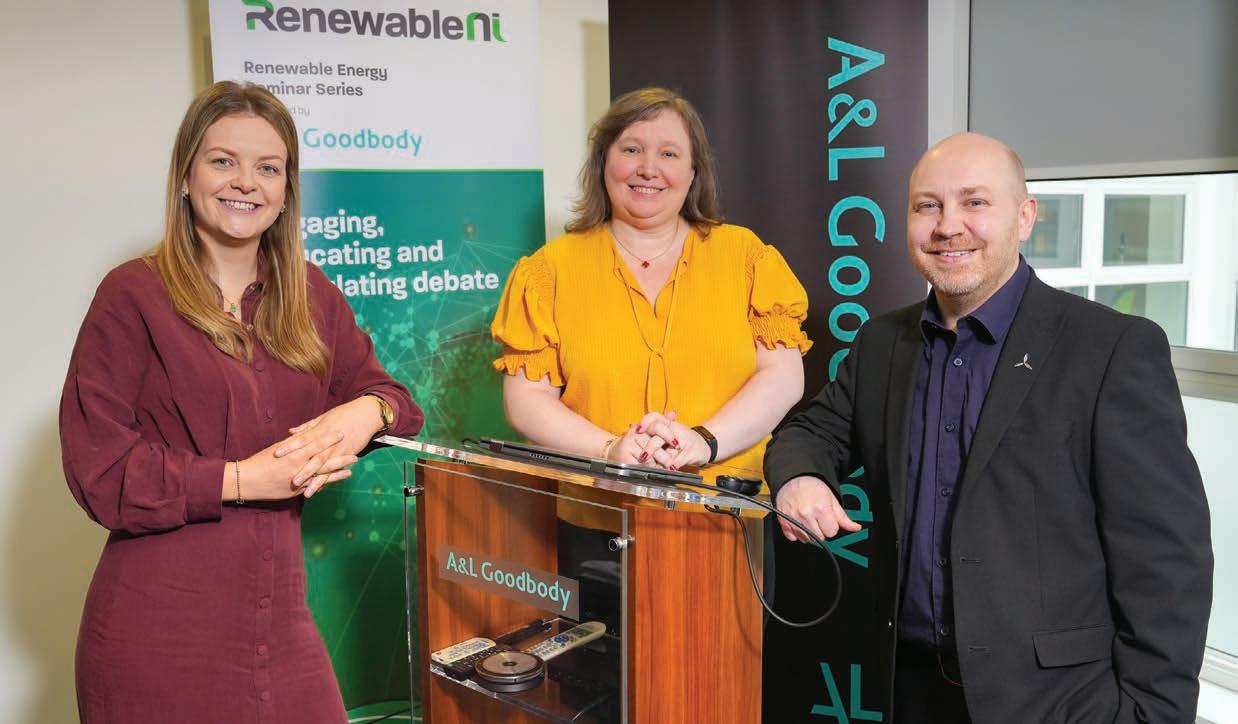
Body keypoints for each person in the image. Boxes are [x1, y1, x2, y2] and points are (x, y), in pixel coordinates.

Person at [764, 132, 1212, 723]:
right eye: (928, 206)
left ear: (1025, 217)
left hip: (1062, 703)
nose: (948, 226)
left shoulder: (1112, 349)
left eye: (975, 202)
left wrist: (1152, 713)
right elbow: (810, 433)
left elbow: (1167, 558)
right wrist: (799, 477)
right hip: (910, 690)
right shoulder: (881, 343)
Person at [60, 81, 423, 723]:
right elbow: (100, 471)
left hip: (279, 621)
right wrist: (242, 480)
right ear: (186, 176)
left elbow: (396, 399)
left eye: (268, 168)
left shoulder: (309, 294)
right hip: (156, 631)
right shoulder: (131, 295)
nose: (246, 183)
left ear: (286, 191)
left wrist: (367, 411)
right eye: (223, 160)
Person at [492, 85, 809, 504]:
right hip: (597, 511)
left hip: (730, 510)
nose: (648, 169)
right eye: (631, 150)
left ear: (694, 172)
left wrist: (704, 442)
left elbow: (783, 378)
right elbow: (526, 401)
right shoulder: (547, 271)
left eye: (669, 154)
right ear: (603, 162)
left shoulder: (746, 256)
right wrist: (610, 451)